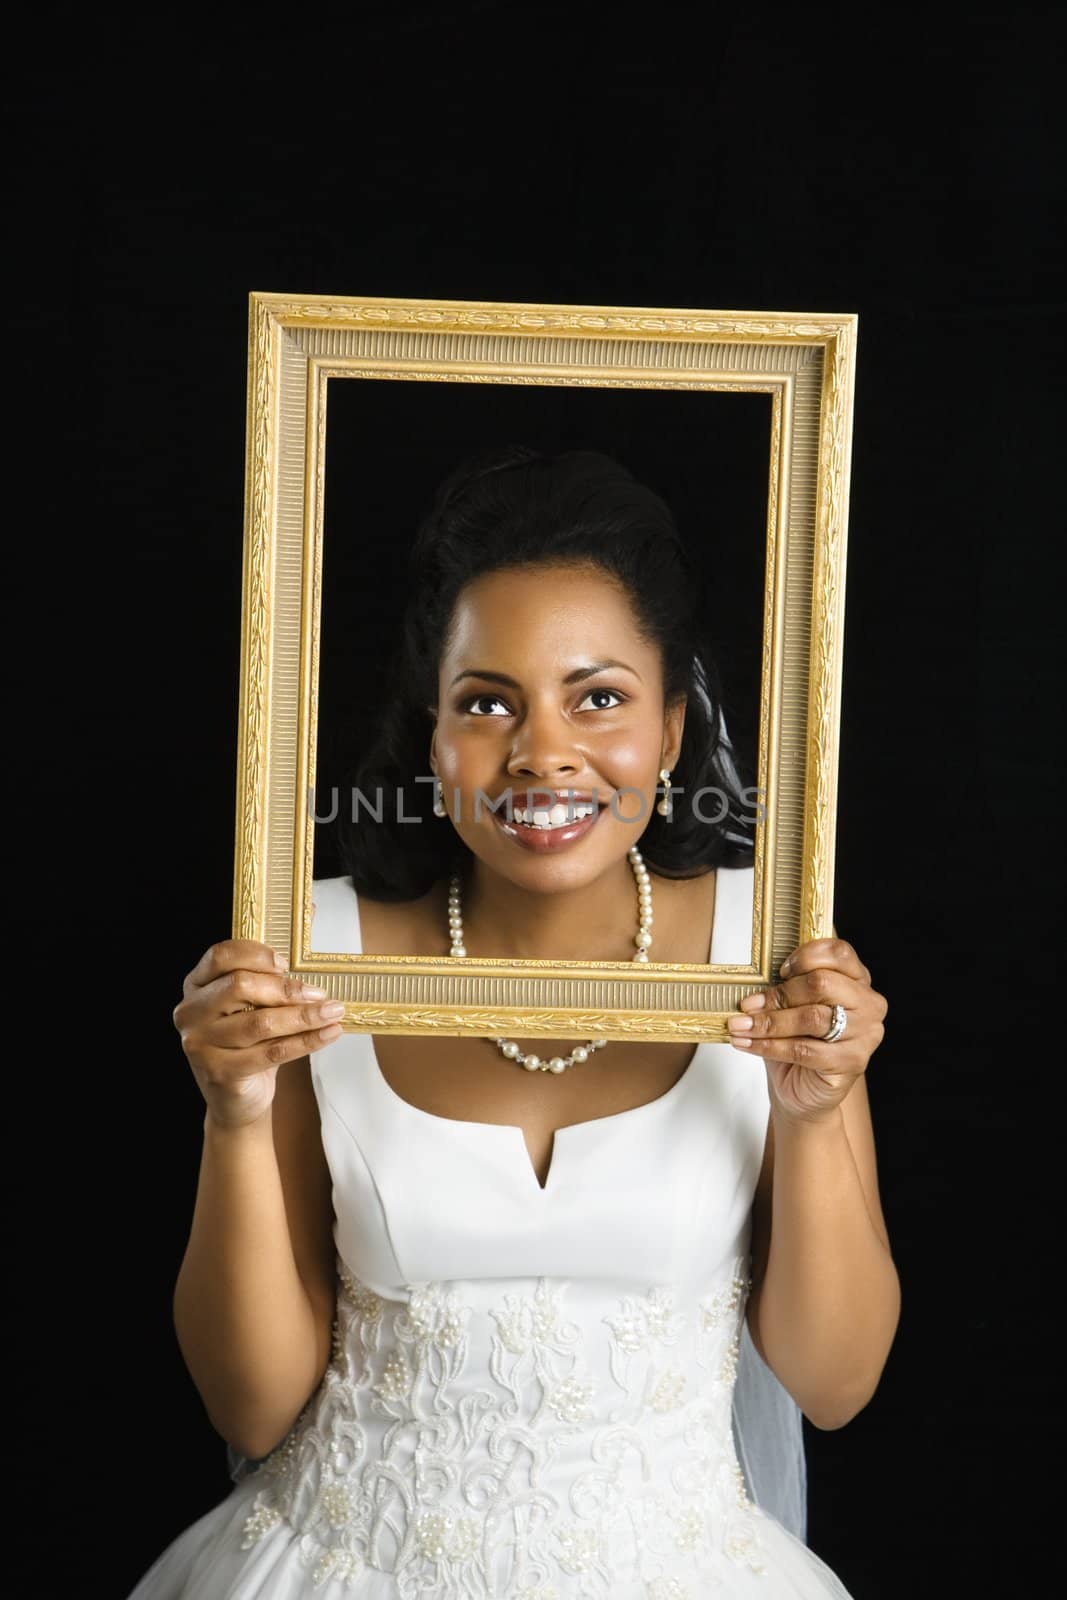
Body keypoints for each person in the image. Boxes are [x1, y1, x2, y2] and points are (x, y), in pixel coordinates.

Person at [129, 446, 898, 1598]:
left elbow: (833, 1385)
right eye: (488, 702)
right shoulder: (305, 951)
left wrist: (816, 1110)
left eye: (599, 697)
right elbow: (251, 1403)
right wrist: (234, 1116)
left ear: (673, 730)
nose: (543, 752)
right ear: (433, 736)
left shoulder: (767, 950)